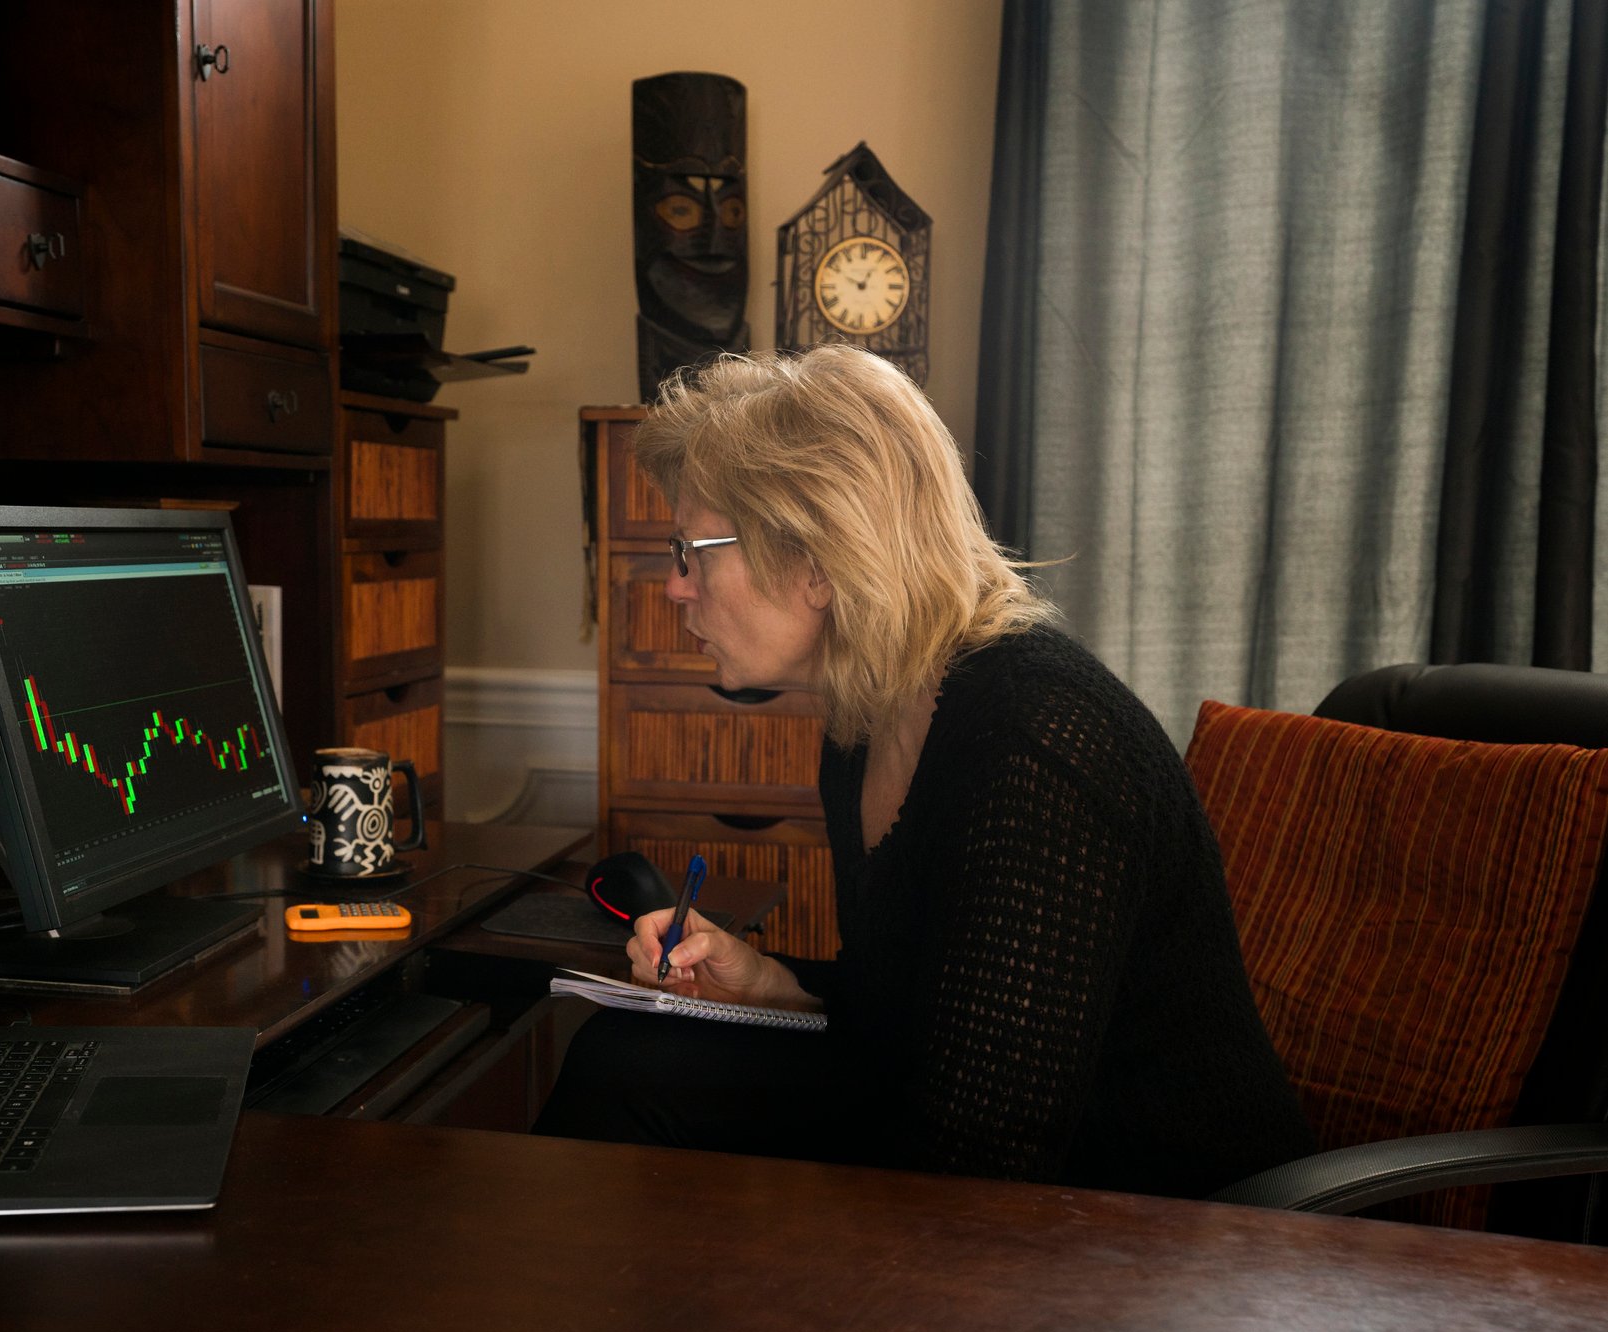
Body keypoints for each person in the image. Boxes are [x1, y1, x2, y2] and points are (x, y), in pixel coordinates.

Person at [533, 345, 1315, 1199]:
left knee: (635, 1089)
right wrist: (772, 987)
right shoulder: (864, 719)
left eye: (693, 550)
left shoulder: (1035, 743)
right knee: (625, 1057)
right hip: (988, 1152)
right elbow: (916, 1013)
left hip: (1164, 1225)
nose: (675, 587)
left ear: (820, 561)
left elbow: (977, 1156)